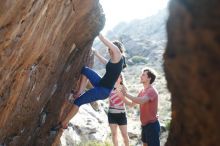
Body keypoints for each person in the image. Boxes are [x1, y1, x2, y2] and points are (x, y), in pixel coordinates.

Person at [52, 33, 125, 130]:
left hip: (103, 91)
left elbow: (104, 40)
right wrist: (96, 53)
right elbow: (107, 63)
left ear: (115, 48)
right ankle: (79, 92)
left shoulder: (118, 54)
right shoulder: (114, 60)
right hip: (100, 83)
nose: (109, 52)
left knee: (78, 102)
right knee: (85, 70)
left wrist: (98, 32)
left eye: (110, 50)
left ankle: (63, 124)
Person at [120, 68, 160, 146]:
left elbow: (142, 101)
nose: (140, 76)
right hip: (144, 125)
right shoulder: (142, 91)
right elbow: (132, 104)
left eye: (143, 75)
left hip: (152, 126)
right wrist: (121, 96)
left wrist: (126, 94)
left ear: (149, 78)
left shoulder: (152, 90)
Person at [108, 74, 134, 146]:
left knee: (124, 135)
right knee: (114, 134)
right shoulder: (110, 87)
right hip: (111, 114)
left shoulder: (123, 88)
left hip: (121, 115)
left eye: (118, 76)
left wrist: (133, 103)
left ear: (121, 79)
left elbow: (126, 101)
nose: (116, 77)